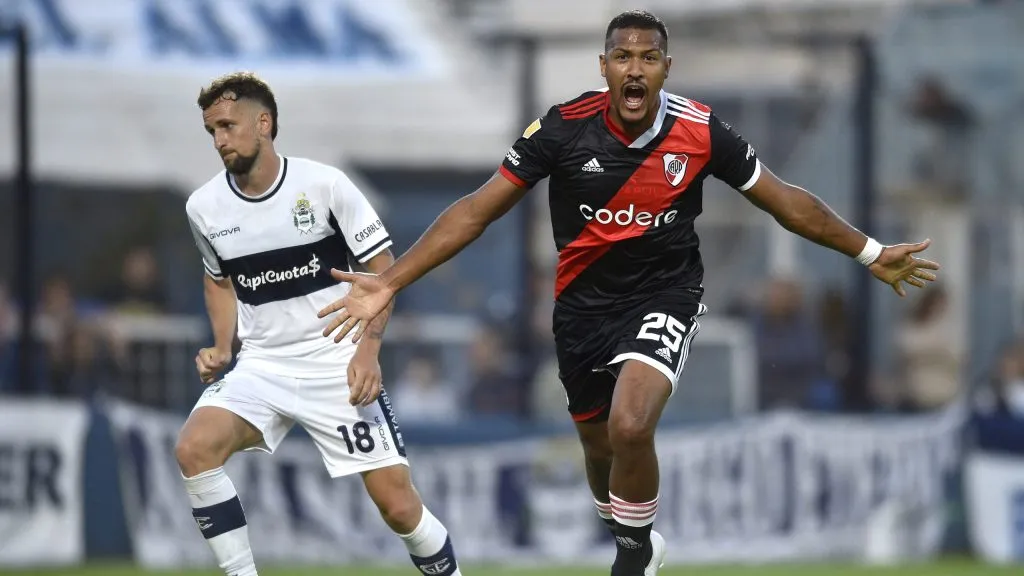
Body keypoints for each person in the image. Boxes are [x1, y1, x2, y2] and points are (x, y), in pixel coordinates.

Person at [317, 10, 940, 576]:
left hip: (666, 292)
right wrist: (390, 280)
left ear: (666, 68)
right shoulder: (562, 129)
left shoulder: (701, 132)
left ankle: (633, 559)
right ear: (605, 68)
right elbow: (477, 211)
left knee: (631, 424)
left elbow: (788, 203)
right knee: (599, 446)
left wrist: (869, 251)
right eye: (623, 57)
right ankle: (630, 532)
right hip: (582, 308)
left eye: (648, 58)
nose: (635, 69)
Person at [176, 72, 463, 576]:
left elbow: (384, 275)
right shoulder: (203, 207)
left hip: (336, 361)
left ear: (263, 124)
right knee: (194, 447)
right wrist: (224, 346)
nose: (219, 139)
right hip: (262, 366)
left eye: (228, 125)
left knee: (398, 507)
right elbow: (218, 280)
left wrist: (368, 351)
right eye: (211, 130)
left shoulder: (325, 185)